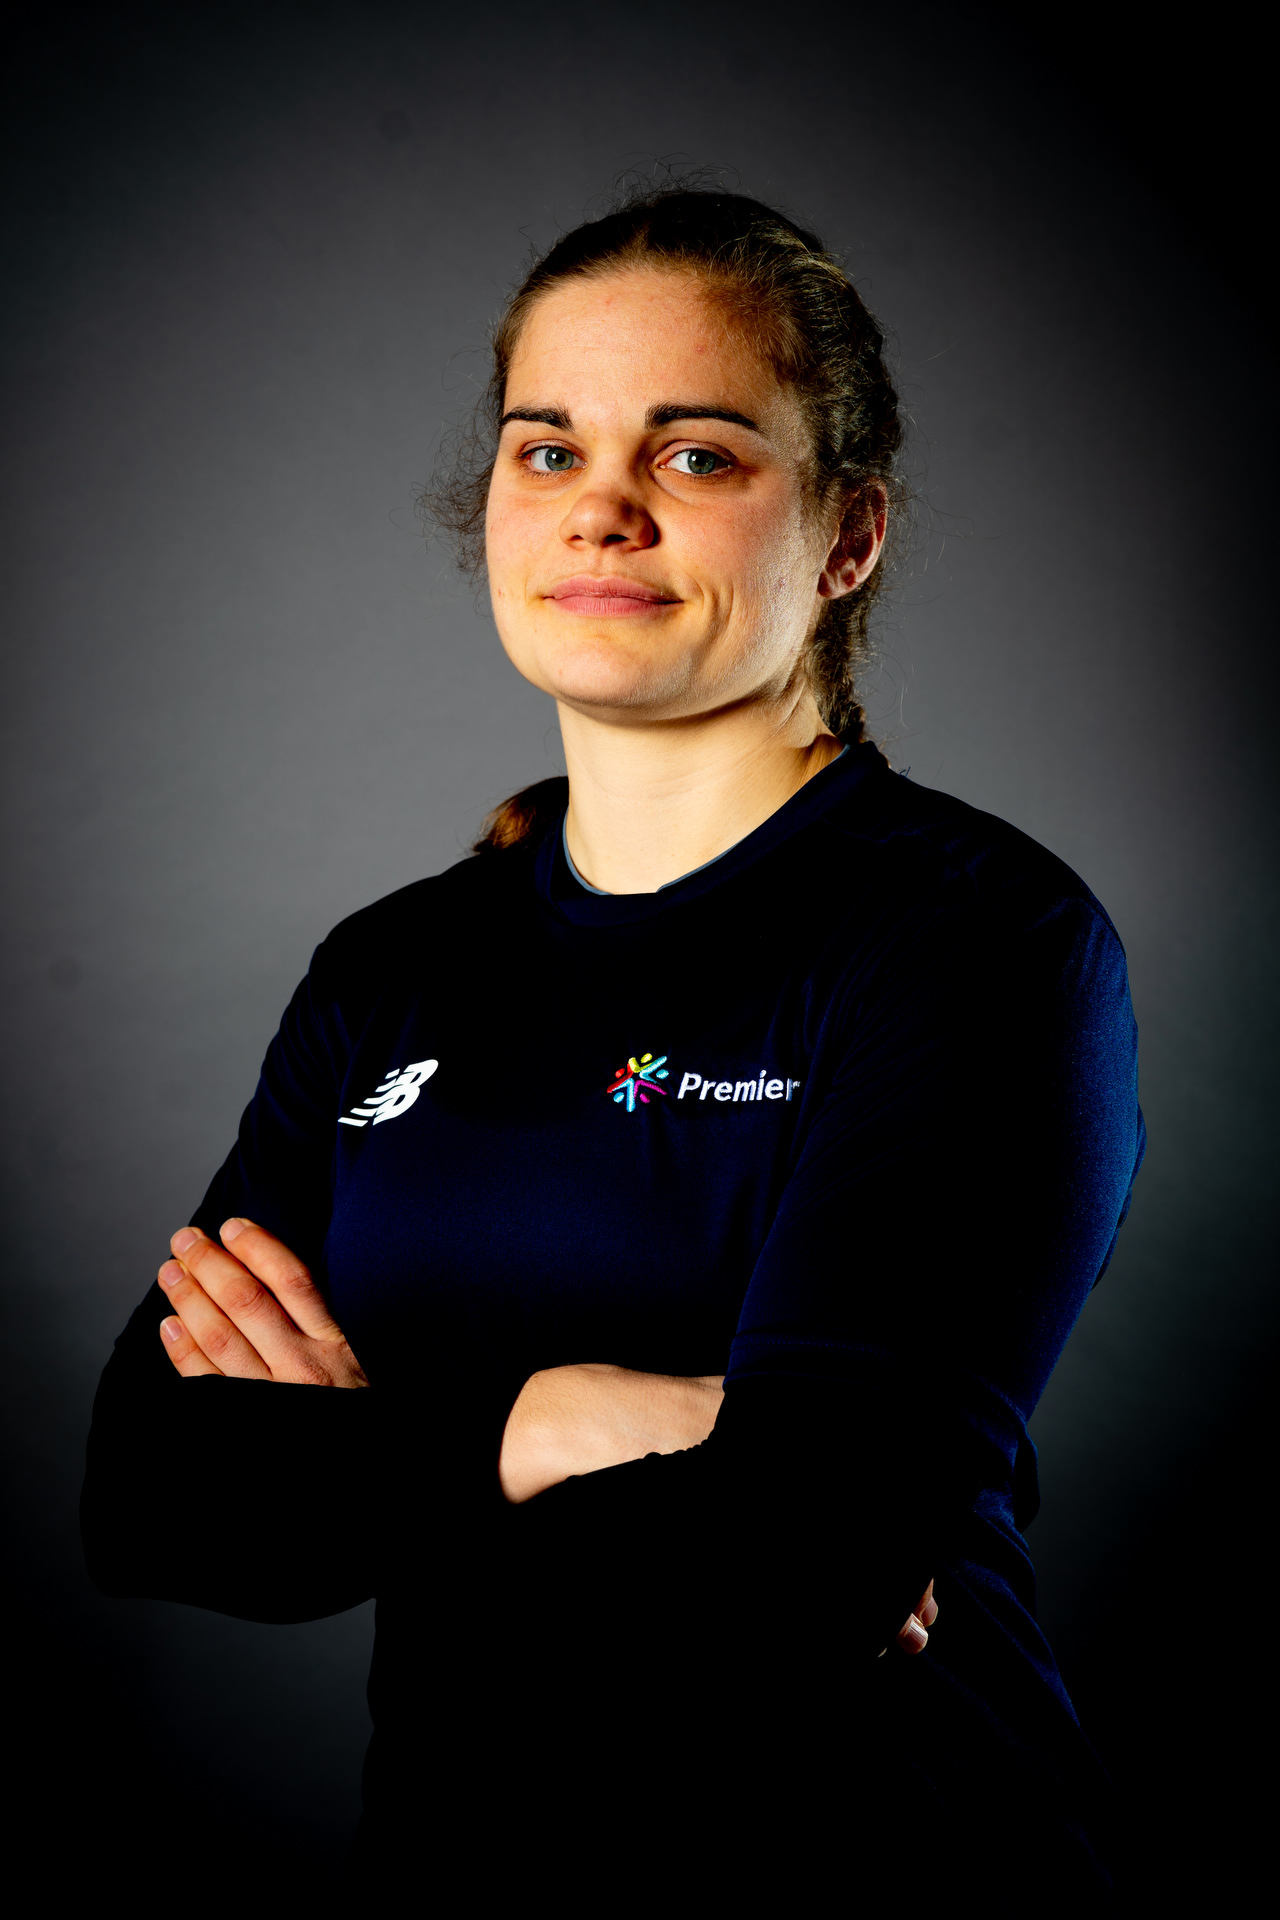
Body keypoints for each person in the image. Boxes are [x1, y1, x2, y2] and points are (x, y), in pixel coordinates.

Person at [81, 183, 1143, 1908]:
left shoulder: (974, 943)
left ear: (848, 534)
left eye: (697, 453)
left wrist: (361, 1467)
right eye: (549, 450)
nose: (605, 507)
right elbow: (151, 1495)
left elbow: (799, 1571)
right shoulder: (394, 968)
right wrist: (543, 1423)